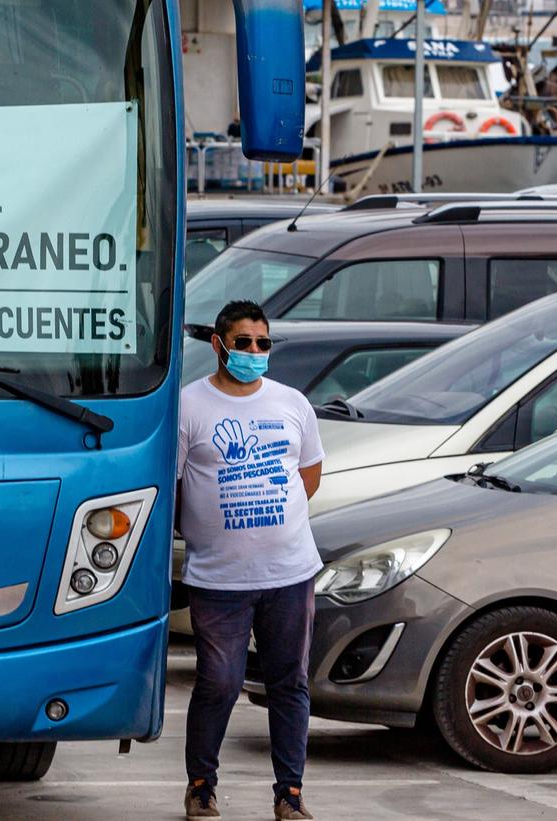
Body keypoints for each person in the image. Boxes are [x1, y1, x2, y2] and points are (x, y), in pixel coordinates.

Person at [178, 299, 323, 820]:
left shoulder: (292, 404)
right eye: (245, 343)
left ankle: (290, 793)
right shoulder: (188, 406)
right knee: (219, 682)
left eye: (264, 343)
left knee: (290, 682)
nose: (256, 352)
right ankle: (201, 784)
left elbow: (307, 476)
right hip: (218, 579)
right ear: (219, 346)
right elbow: (173, 487)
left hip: (290, 573)